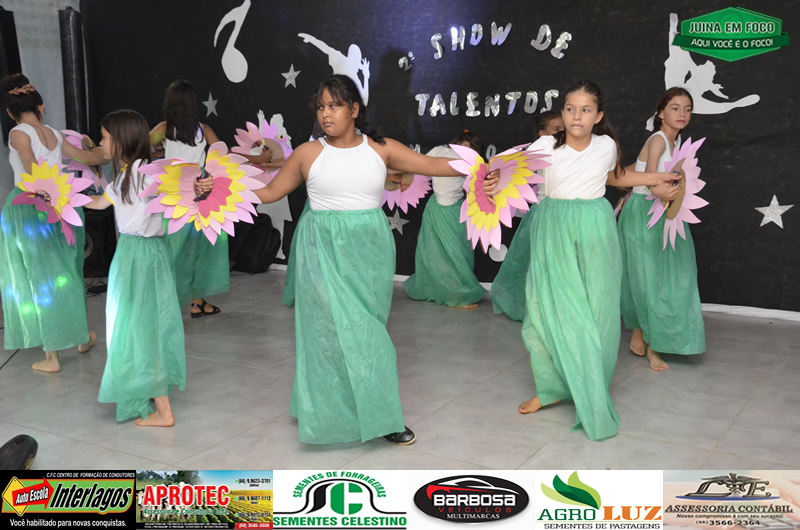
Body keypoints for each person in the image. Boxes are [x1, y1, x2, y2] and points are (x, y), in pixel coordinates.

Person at [241, 74, 467, 445]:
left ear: (354, 109)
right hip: (320, 249)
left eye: (334, 105)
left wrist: (483, 168)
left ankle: (378, 413)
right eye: (321, 107)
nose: (326, 114)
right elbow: (268, 193)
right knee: (326, 333)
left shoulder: (381, 148)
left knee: (369, 333)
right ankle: (336, 412)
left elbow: (434, 166)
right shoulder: (308, 153)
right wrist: (221, 187)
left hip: (370, 251)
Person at [501, 80, 680, 441]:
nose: (576, 116)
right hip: (554, 225)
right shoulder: (544, 146)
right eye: (570, 109)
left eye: (585, 110)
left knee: (598, 310)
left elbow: (614, 176)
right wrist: (491, 182)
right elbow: (507, 174)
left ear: (598, 116)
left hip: (596, 226)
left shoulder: (606, 145)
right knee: (543, 311)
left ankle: (591, 384)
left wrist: (657, 177)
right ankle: (551, 389)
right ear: (563, 112)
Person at [85, 109, 187, 427]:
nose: (101, 142)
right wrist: (64, 200)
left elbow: (181, 187)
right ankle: (151, 392)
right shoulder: (131, 174)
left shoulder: (143, 174)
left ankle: (164, 410)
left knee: (140, 328)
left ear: (120, 140)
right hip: (144, 253)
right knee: (144, 325)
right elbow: (100, 203)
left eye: (104, 137)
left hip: (137, 255)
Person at [0, 74, 105, 372]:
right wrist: (109, 152)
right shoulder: (54, 134)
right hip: (63, 204)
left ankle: (52, 357)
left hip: (31, 206)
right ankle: (80, 336)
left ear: (9, 112)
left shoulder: (18, 132)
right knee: (67, 272)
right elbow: (88, 157)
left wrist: (44, 190)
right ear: (41, 107)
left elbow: (30, 165)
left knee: (40, 275)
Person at [149, 80, 270, 318]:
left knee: (174, 251)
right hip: (201, 194)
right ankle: (196, 301)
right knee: (201, 249)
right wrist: (258, 159)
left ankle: (170, 302)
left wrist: (159, 154)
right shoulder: (203, 129)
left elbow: (137, 148)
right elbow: (225, 155)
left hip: (175, 197)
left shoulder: (164, 129)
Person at [619, 87, 705, 371]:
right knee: (645, 275)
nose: (682, 114)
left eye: (688, 109)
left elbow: (637, 170)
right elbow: (651, 180)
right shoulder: (657, 139)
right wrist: (660, 189)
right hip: (643, 212)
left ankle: (645, 331)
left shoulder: (674, 143)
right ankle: (650, 339)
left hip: (664, 213)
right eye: (675, 108)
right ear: (661, 113)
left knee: (662, 275)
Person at [492, 110, 564, 321]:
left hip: (566, 215)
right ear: (543, 133)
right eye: (556, 129)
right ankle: (534, 307)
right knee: (536, 263)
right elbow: (515, 170)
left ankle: (555, 308)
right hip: (544, 214)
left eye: (564, 129)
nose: (562, 133)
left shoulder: (571, 147)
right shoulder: (541, 147)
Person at [403, 129, 487, 308]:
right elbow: (420, 166)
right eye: (466, 146)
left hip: (452, 209)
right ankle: (456, 295)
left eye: (472, 148)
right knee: (442, 253)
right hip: (440, 208)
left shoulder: (469, 160)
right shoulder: (447, 153)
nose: (467, 149)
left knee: (453, 253)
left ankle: (454, 292)